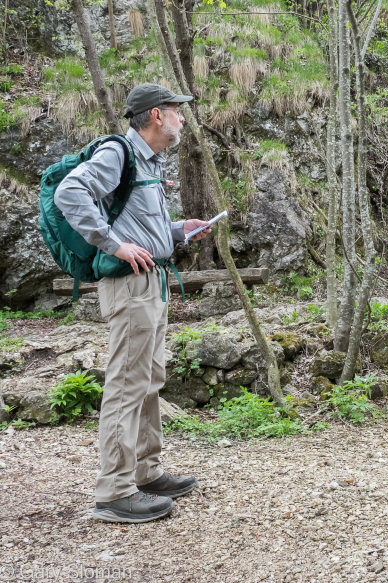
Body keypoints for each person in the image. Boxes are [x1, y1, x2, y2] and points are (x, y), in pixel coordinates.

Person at [55, 83, 211, 523]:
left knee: (148, 378)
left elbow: (139, 221)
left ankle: (145, 472)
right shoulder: (117, 153)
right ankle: (115, 491)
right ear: (157, 115)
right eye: (178, 111)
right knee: (127, 384)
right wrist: (114, 244)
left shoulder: (149, 161)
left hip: (152, 282)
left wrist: (179, 230)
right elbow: (70, 194)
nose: (183, 118)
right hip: (130, 284)